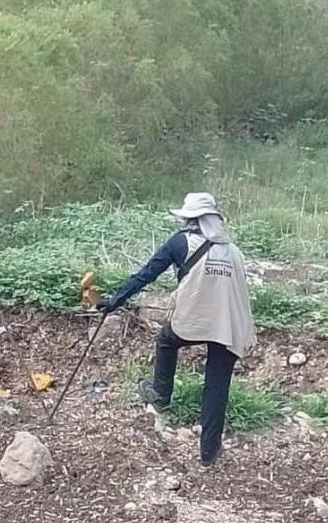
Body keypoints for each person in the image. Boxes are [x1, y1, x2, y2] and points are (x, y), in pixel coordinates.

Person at [98, 192, 257, 467]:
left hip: (192, 319)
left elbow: (146, 274)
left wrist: (115, 300)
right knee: (216, 386)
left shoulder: (180, 242)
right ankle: (209, 453)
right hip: (228, 324)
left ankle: (161, 396)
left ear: (189, 220)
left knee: (167, 341)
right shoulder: (234, 252)